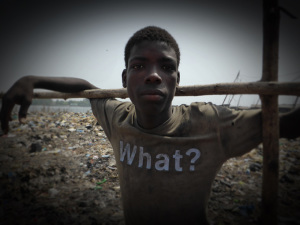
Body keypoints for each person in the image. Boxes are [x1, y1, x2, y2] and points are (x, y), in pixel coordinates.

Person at [0, 26, 299, 225]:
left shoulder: (209, 123)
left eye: (166, 67)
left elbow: (284, 123)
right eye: (139, 66)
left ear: (177, 81)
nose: (153, 75)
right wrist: (32, 79)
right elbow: (85, 88)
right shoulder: (117, 119)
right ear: (124, 79)